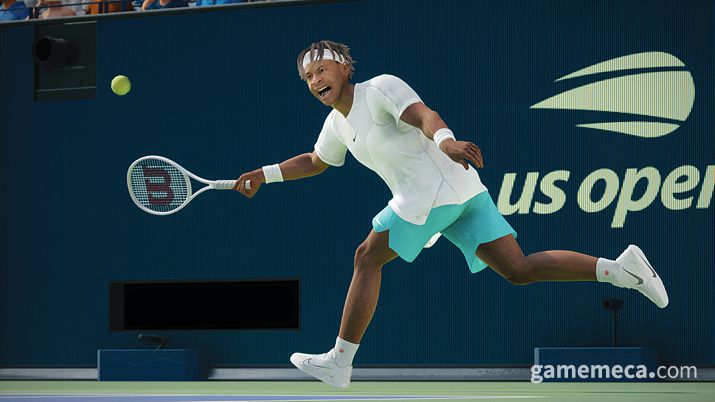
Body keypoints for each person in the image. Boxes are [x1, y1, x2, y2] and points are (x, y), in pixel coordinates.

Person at [233, 40, 669, 388]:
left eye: (321, 70)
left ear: (345, 67)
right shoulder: (336, 125)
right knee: (518, 269)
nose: (315, 80)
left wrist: (445, 141)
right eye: (308, 77)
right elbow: (315, 161)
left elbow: (424, 114)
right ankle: (621, 270)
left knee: (366, 257)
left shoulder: (379, 88)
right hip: (460, 194)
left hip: (431, 193)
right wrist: (263, 175)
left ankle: (339, 361)